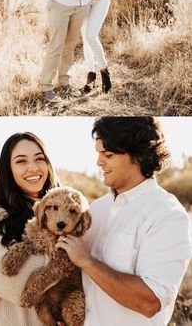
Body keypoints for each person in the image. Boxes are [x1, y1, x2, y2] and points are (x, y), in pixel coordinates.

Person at [56, 117, 192, 326]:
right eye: (99, 154)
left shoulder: (167, 215)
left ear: (138, 156)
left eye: (108, 155)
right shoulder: (95, 210)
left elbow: (150, 302)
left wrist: (86, 261)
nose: (99, 162)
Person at [0, 132, 59, 326]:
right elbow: (12, 283)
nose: (33, 167)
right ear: (8, 170)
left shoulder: (62, 214)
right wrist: (65, 260)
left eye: (40, 159)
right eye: (21, 161)